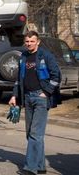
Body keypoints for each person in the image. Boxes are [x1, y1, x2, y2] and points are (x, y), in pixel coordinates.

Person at [8, 31, 61, 175]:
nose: (29, 44)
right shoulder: (23, 56)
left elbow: (57, 76)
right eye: (27, 41)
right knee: (31, 135)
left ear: (38, 42)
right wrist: (14, 96)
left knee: (35, 134)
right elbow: (19, 79)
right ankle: (40, 166)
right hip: (27, 98)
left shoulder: (46, 56)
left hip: (40, 98)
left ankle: (30, 168)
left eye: (32, 41)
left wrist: (47, 92)